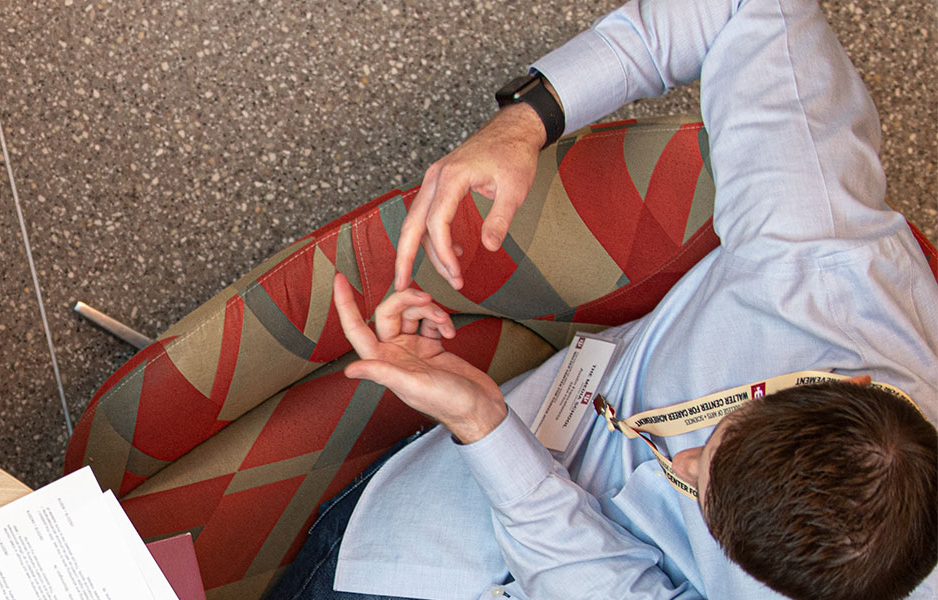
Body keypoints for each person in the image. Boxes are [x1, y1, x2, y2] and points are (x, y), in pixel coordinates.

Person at [264, 0, 938, 597]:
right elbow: (750, 8)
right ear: (841, 381)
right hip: (421, 545)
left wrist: (485, 425)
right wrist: (528, 120)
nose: (683, 460)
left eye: (703, 505)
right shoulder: (820, 255)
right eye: (720, 440)